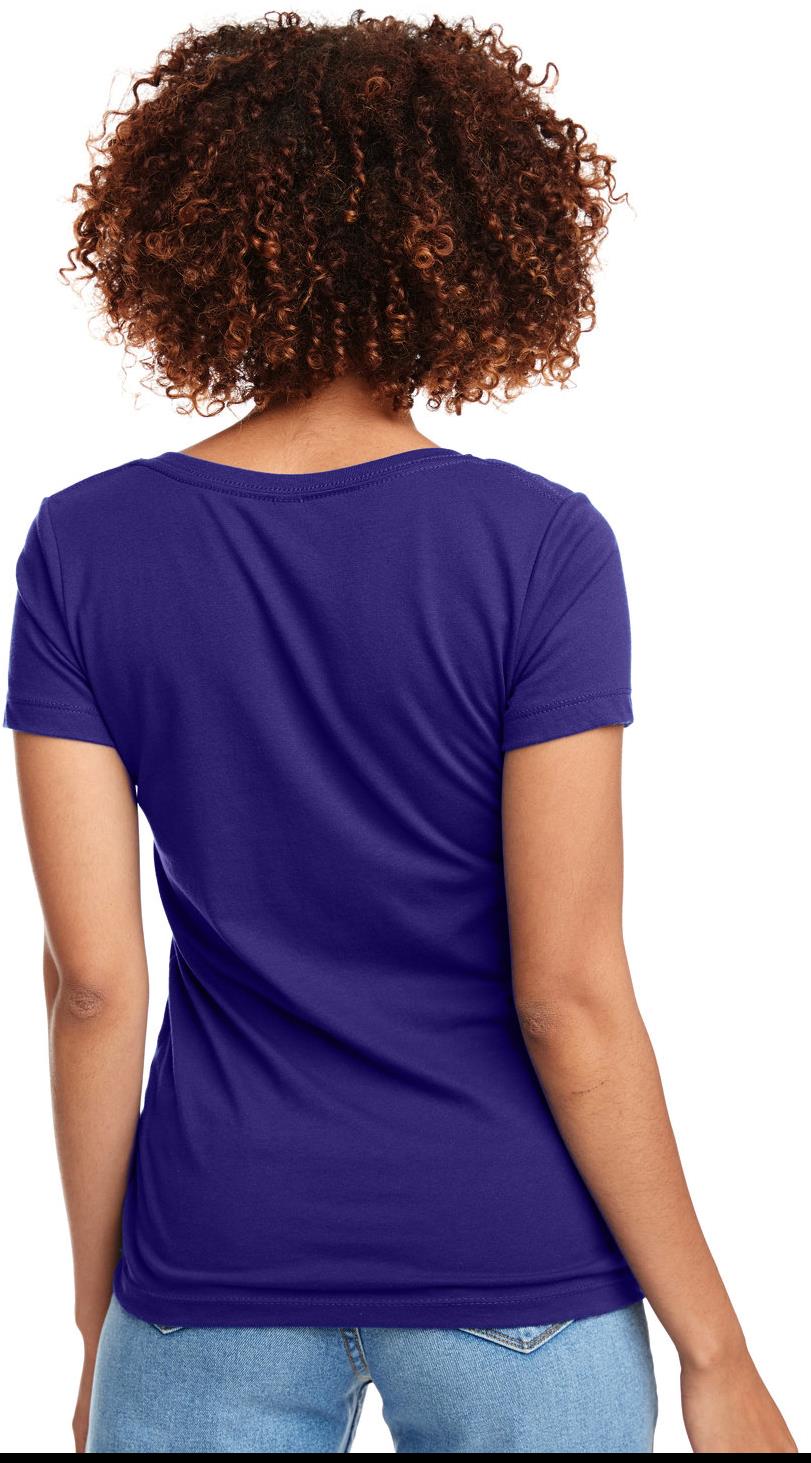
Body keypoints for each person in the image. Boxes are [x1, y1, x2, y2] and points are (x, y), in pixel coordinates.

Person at [4, 11, 796, 1456]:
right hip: (516, 1259)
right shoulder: (541, 547)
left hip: (212, 1259)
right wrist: (717, 1351)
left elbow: (96, 987)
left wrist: (100, 1316)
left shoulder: (84, 546)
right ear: (475, 247)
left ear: (191, 242)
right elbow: (568, 993)